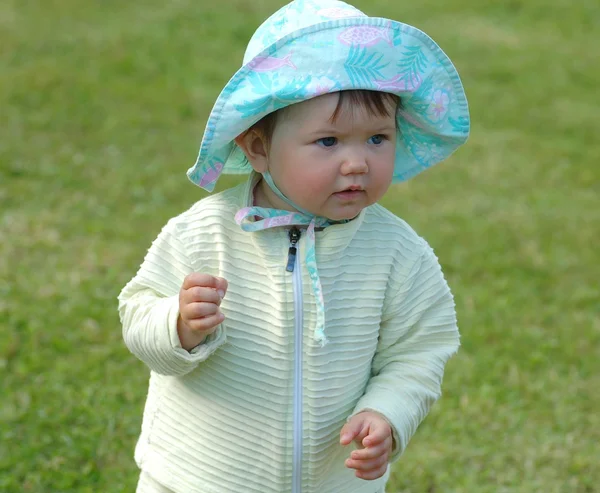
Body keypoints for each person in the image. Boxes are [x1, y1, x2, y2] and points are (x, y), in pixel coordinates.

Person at [118, 0, 470, 492]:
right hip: (197, 477)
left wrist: (387, 413)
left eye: (376, 138)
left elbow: (420, 350)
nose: (357, 163)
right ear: (257, 146)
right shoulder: (202, 233)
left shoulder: (397, 253)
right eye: (328, 142)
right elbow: (137, 313)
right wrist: (176, 325)